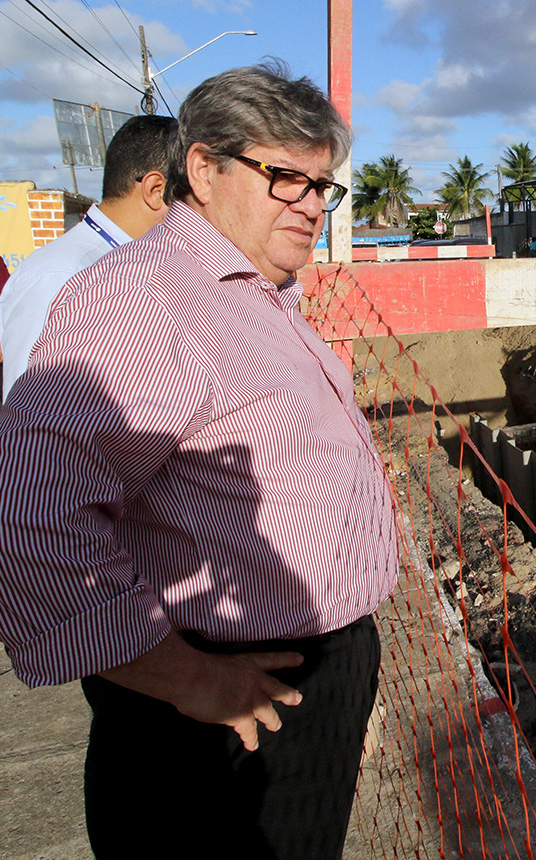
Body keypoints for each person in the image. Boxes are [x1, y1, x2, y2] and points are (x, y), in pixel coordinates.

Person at [0, 62, 398, 860]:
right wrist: (183, 678)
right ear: (203, 168)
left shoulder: (248, 289)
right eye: (285, 177)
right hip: (217, 695)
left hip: (288, 677)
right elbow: (32, 512)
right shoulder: (147, 301)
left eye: (324, 187)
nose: (312, 206)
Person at [0, 114, 175, 399]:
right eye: (192, 194)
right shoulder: (60, 275)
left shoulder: (137, 262)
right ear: (156, 191)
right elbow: (29, 413)